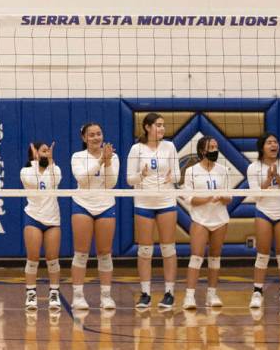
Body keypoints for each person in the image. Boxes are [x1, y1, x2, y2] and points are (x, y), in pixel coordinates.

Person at [126, 112, 180, 310]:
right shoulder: (136, 149)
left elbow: (177, 175)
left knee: (168, 248)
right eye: (158, 125)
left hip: (166, 200)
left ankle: (169, 293)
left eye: (163, 125)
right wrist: (142, 174)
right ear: (147, 127)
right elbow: (129, 180)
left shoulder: (170, 146)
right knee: (145, 250)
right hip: (143, 202)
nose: (162, 129)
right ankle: (145, 293)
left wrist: (170, 178)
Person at [70, 123, 118, 311]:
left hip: (105, 204)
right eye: (91, 135)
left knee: (105, 253)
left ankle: (106, 296)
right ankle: (78, 296)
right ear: (84, 138)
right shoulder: (78, 157)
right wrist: (100, 161)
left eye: (99, 133)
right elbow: (82, 179)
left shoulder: (113, 157)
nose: (96, 137)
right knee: (81, 253)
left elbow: (110, 183)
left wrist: (107, 162)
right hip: (83, 204)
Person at [181, 137, 231, 310]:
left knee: (215, 258)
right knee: (196, 257)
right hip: (200, 219)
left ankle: (212, 294)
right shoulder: (191, 171)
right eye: (211, 147)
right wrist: (210, 197)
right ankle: (189, 296)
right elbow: (190, 199)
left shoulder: (223, 170)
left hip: (220, 219)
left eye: (216, 146)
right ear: (202, 150)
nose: (215, 149)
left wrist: (223, 197)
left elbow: (228, 198)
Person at [246, 133, 280, 310]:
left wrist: (278, 178)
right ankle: (257, 292)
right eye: (269, 142)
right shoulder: (253, 167)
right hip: (264, 211)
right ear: (262, 147)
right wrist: (268, 180)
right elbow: (256, 195)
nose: (274, 145)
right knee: (263, 253)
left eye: (276, 142)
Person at [22, 142, 63, 311]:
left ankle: (54, 293)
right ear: (35, 153)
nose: (46, 153)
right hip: (33, 218)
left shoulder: (55, 169)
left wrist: (50, 161)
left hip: (52, 220)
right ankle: (31, 293)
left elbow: (55, 181)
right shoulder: (26, 171)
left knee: (53, 259)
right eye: (43, 151)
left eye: (48, 151)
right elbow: (33, 182)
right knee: (33, 259)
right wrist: (35, 162)